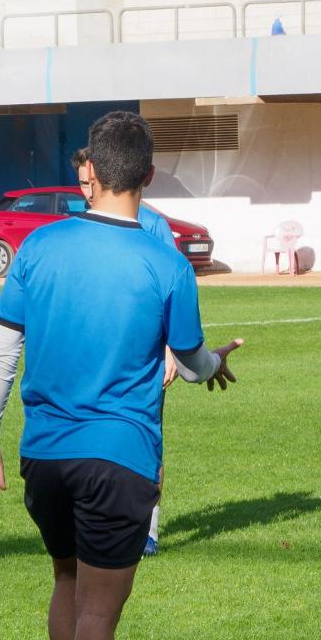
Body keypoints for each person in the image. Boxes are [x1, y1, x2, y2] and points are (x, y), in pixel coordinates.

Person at [0, 112, 242, 640]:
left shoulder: (39, 245)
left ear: (90, 168)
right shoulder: (167, 263)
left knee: (66, 580)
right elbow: (191, 366)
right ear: (149, 173)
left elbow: (1, 355)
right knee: (98, 614)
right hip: (119, 458)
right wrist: (216, 363)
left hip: (42, 456)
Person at [72, 145, 178, 557]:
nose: (87, 190)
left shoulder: (152, 227)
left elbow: (173, 292)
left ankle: (147, 530)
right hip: (92, 355)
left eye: (91, 182)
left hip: (145, 358)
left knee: (145, 438)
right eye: (82, 183)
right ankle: (97, 522)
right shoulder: (76, 227)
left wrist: (170, 348)